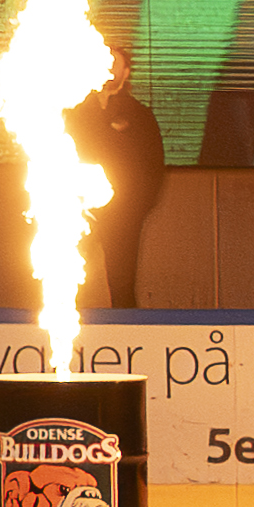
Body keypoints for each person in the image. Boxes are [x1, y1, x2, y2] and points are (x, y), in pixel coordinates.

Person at [65, 38, 169, 314]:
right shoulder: (72, 113)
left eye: (116, 65)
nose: (109, 70)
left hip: (122, 213)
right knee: (62, 276)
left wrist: (133, 209)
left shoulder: (139, 115)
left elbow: (153, 169)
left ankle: (126, 343)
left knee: (122, 281)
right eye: (104, 62)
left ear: (126, 72)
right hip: (75, 210)